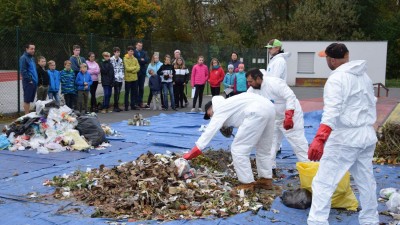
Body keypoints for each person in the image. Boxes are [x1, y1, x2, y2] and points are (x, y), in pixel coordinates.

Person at [307, 43, 379, 225]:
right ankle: (370, 220)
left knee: (323, 183)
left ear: (332, 60)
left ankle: (317, 222)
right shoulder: (364, 76)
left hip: (345, 138)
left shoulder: (336, 79)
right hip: (366, 135)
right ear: (346, 56)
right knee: (366, 181)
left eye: (326, 59)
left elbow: (332, 111)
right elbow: (371, 103)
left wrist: (319, 139)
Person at [183, 93, 276, 190]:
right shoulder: (231, 104)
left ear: (211, 107)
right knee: (264, 148)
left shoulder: (220, 108)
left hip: (255, 112)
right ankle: (266, 180)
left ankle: (247, 183)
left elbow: (210, 131)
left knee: (238, 149)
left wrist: (195, 150)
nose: (210, 117)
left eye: (209, 114)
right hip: (269, 108)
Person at [246, 68, 309, 172]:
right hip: (274, 119)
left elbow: (290, 96)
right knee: (270, 144)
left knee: (298, 143)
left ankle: (309, 169)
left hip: (291, 116)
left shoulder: (275, 84)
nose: (249, 84)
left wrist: (289, 114)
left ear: (258, 79)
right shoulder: (252, 90)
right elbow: (247, 104)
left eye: (250, 81)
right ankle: (270, 170)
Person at [19, 43, 38, 114]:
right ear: (27, 49)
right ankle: (26, 116)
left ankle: (28, 115)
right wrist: (29, 80)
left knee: (29, 99)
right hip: (28, 82)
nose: (33, 50)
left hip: (34, 82)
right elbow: (23, 71)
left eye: (34, 49)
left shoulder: (32, 58)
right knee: (27, 99)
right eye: (31, 49)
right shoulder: (23, 58)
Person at [123, 45, 140, 111]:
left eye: (132, 51)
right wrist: (134, 68)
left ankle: (133, 105)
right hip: (128, 79)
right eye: (130, 51)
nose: (131, 52)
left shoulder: (135, 59)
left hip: (134, 78)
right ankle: (126, 106)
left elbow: (138, 67)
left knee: (133, 92)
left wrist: (133, 70)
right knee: (127, 92)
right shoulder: (125, 58)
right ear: (128, 51)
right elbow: (127, 68)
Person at [133, 41, 149, 108]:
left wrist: (141, 60)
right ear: (136, 45)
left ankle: (140, 102)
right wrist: (141, 60)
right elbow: (135, 60)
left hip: (142, 72)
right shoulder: (133, 52)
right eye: (139, 45)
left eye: (141, 46)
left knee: (141, 88)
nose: (140, 47)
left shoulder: (144, 52)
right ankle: (135, 102)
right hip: (136, 72)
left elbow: (146, 60)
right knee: (135, 88)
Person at [110, 47, 124, 112]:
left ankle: (117, 106)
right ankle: (115, 106)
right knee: (116, 92)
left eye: (119, 52)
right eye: (117, 52)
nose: (118, 53)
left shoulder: (121, 60)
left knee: (119, 93)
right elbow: (112, 69)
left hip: (120, 78)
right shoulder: (111, 60)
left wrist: (122, 76)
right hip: (115, 78)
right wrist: (114, 77)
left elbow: (122, 68)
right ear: (114, 52)